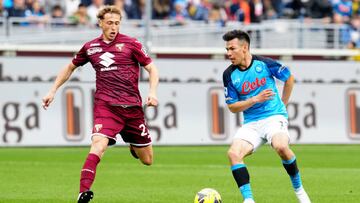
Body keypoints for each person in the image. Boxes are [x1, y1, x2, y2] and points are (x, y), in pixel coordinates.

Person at [42, 5, 159, 203]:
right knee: (98, 144)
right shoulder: (90, 47)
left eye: (117, 23)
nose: (114, 27)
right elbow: (70, 67)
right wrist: (52, 90)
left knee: (147, 160)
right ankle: (83, 191)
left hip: (132, 109)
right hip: (107, 107)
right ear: (100, 23)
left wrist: (152, 93)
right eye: (109, 23)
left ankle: (132, 144)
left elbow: (152, 69)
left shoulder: (132, 44)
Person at [221, 30, 311, 203]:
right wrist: (255, 99)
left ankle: (300, 192)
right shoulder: (229, 75)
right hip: (251, 123)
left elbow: (289, 78)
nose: (229, 54)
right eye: (227, 50)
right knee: (233, 154)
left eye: (232, 49)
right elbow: (232, 107)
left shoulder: (264, 63)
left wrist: (283, 105)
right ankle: (248, 200)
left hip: (273, 118)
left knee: (281, 147)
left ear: (245, 47)